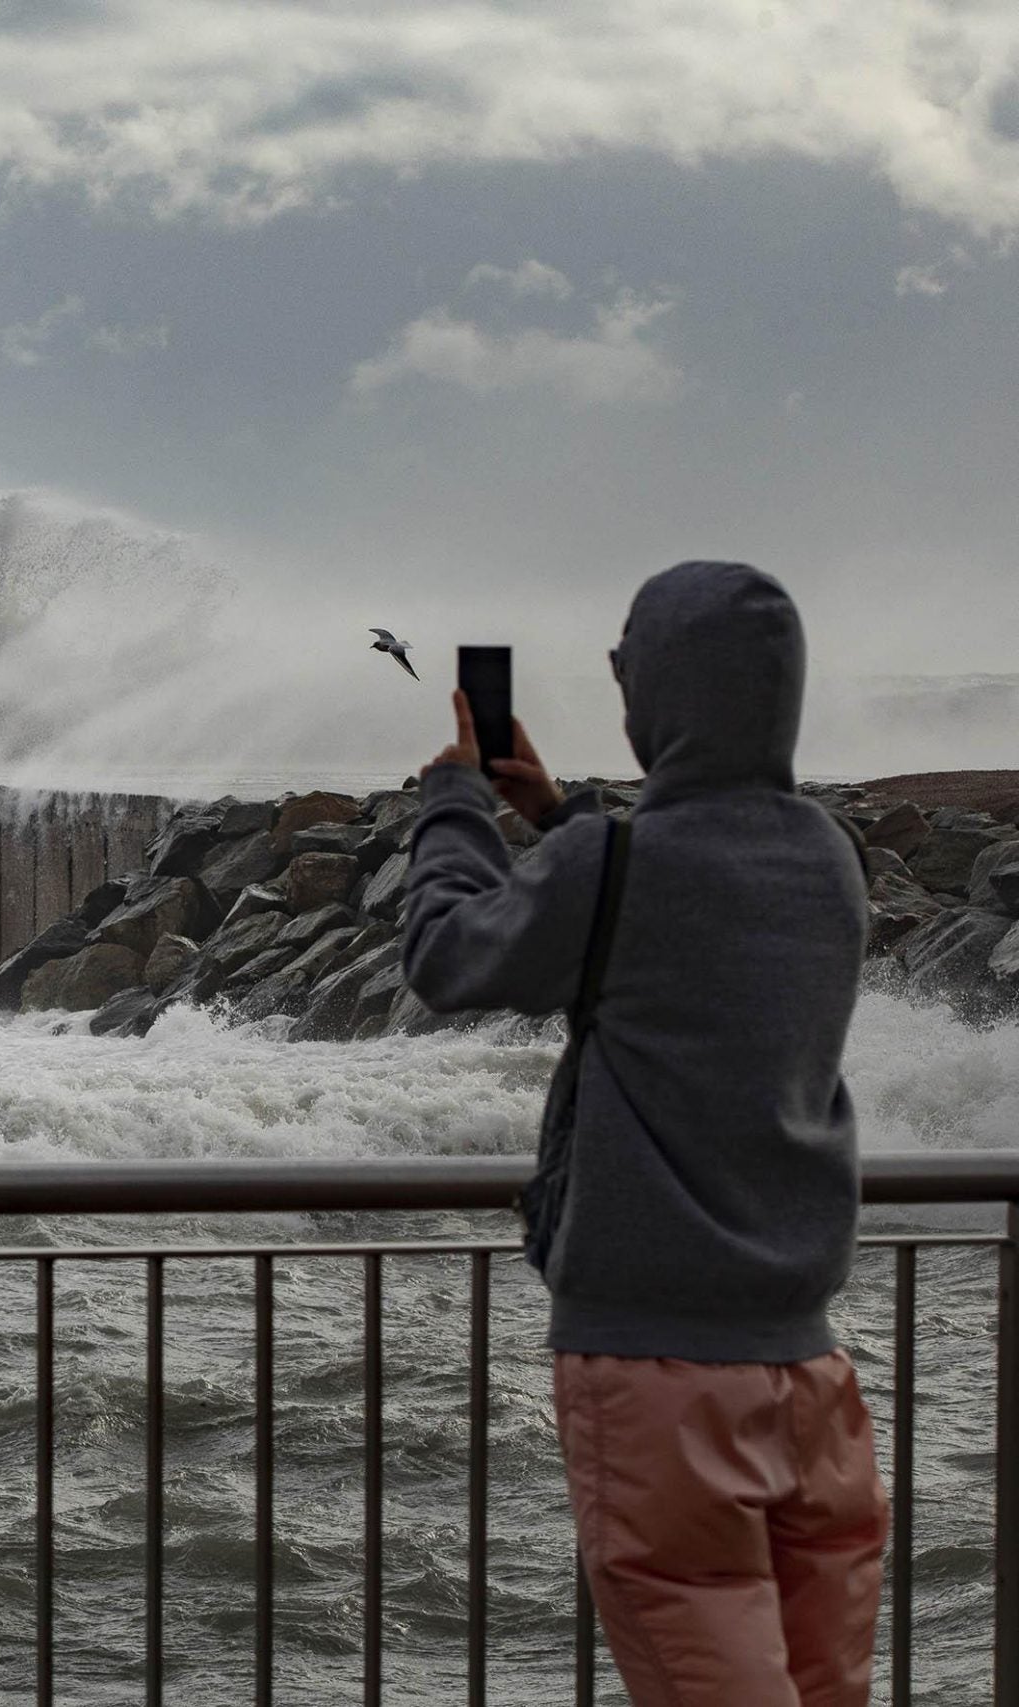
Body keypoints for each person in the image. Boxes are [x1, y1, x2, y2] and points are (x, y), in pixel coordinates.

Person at [400, 561, 887, 1706]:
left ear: (653, 697)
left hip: (658, 1381)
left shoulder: (610, 866)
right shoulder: (828, 858)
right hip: (812, 1371)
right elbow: (688, 926)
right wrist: (567, 818)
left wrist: (455, 804)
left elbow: (447, 957)